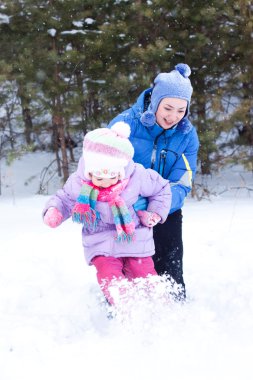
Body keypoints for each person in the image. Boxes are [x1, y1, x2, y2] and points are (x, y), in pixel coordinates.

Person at [43, 122, 171, 306]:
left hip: (134, 236)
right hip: (100, 239)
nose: (106, 182)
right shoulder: (79, 183)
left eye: (112, 176)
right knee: (108, 274)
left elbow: (162, 188)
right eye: (99, 177)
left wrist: (155, 212)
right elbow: (65, 199)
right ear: (89, 171)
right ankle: (124, 307)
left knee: (143, 273)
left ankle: (159, 307)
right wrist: (54, 211)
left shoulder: (137, 176)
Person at [107, 63, 200, 300]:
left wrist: (158, 208)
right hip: (125, 208)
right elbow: (103, 166)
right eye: (168, 108)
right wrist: (131, 202)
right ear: (155, 102)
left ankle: (174, 306)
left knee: (169, 260)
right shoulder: (126, 124)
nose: (173, 116)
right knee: (127, 265)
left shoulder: (187, 135)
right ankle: (120, 308)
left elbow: (182, 179)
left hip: (166, 208)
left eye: (181, 110)